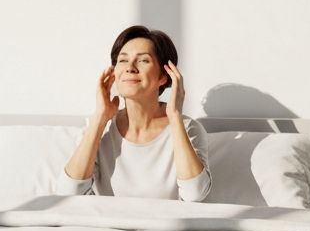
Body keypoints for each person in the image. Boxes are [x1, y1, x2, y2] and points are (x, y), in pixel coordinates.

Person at [56, 25, 212, 201]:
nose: (130, 68)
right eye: (122, 60)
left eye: (143, 60)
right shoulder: (100, 127)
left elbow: (195, 194)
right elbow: (68, 193)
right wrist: (100, 117)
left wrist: (175, 116)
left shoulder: (188, 129)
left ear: (164, 76)